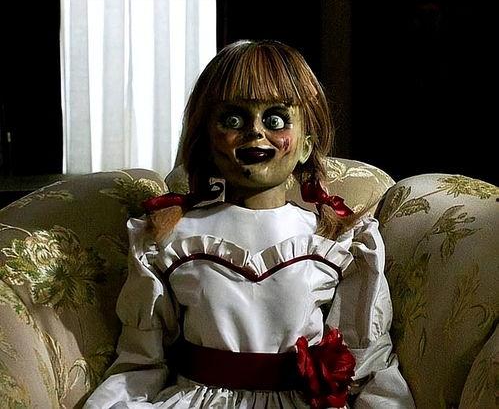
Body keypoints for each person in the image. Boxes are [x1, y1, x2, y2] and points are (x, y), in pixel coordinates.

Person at [84, 40, 415, 408]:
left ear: (306, 145)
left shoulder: (336, 242)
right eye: (233, 119)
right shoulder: (171, 239)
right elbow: (141, 363)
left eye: (275, 119)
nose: (255, 132)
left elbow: (368, 363)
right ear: (207, 140)